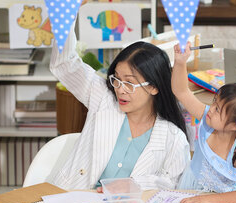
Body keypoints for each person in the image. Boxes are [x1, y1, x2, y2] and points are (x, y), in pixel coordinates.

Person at [49, 3, 190, 191]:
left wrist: (133, 185)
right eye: (117, 79)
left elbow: (171, 187)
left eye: (130, 83)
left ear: (154, 87)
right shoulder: (103, 98)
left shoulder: (174, 138)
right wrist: (67, 12)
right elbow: (64, 63)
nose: (120, 90)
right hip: (76, 202)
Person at [172, 43, 236, 203]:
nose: (211, 110)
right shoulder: (207, 118)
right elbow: (181, 92)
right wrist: (180, 62)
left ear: (234, 126)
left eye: (218, 110)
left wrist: (206, 200)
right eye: (214, 103)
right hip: (193, 188)